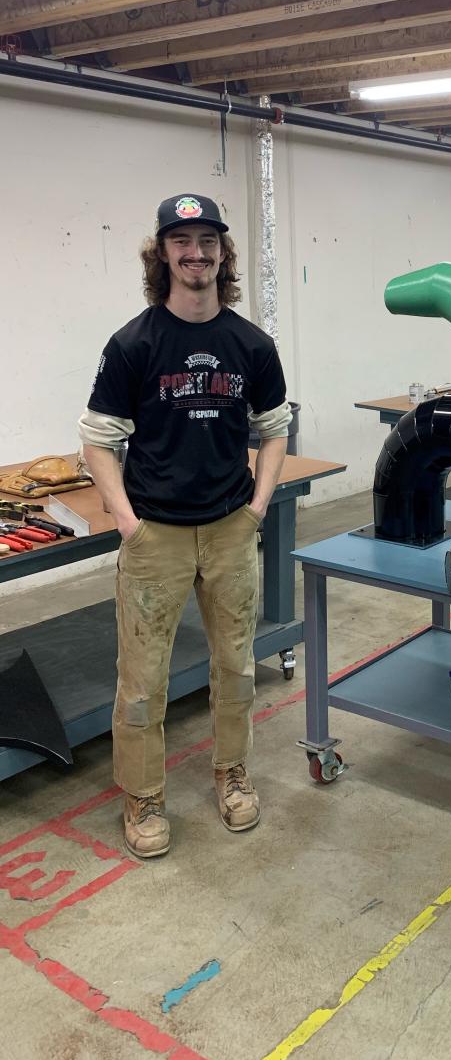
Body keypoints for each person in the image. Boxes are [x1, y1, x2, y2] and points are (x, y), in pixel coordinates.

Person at [79, 194, 292, 859]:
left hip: (230, 526)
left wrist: (257, 508)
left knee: (236, 666)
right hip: (157, 536)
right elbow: (97, 441)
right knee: (141, 677)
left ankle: (231, 774)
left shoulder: (251, 345)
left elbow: (276, 427)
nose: (195, 252)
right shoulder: (133, 345)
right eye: (182, 240)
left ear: (223, 254)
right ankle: (143, 798)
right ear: (162, 253)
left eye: (207, 240)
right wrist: (128, 523)